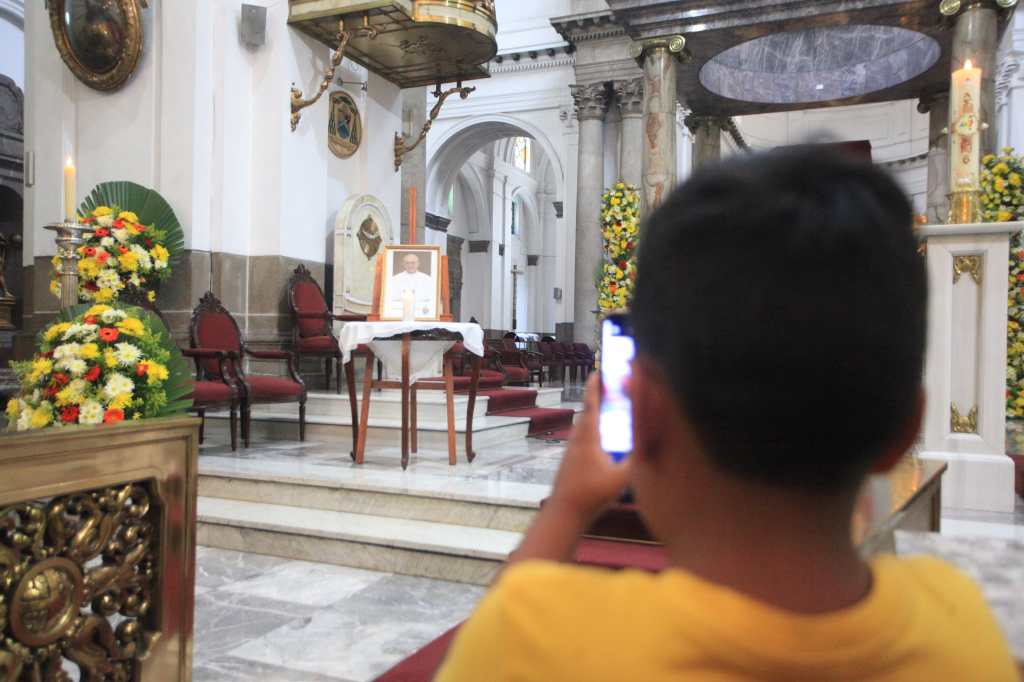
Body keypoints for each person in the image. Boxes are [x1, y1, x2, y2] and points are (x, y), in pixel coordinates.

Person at [434, 148, 1017, 680]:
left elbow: (491, 641)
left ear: (642, 413)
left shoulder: (543, 640)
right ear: (904, 430)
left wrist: (567, 505)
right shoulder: (959, 626)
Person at [389, 252, 434, 317]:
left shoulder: (427, 279)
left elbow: (430, 298)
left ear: (418, 263)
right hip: (400, 312)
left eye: (413, 263)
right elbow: (392, 298)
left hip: (421, 313)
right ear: (403, 264)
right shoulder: (395, 279)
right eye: (407, 263)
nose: (410, 265)